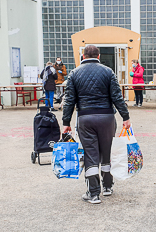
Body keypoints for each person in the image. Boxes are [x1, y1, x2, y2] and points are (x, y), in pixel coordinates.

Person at [62, 45, 131, 204]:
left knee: (90, 155)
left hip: (86, 119)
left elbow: (69, 101)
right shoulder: (108, 72)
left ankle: (93, 194)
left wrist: (66, 123)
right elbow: (117, 97)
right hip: (107, 118)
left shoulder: (74, 73)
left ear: (83, 56)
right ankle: (108, 187)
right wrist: (125, 116)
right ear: (98, 56)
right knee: (107, 152)